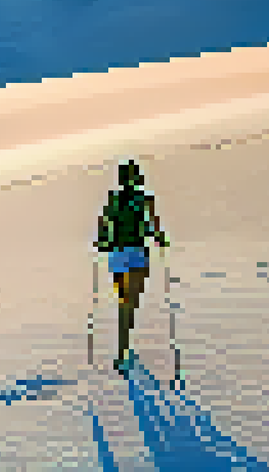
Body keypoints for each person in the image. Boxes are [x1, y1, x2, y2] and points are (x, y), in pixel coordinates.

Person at [94, 159, 169, 375]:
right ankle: (123, 346)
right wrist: (160, 239)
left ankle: (123, 345)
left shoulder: (114, 199)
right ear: (136, 178)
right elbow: (153, 226)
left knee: (123, 301)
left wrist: (102, 241)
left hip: (116, 253)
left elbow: (103, 224)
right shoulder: (144, 199)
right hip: (136, 252)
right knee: (131, 301)